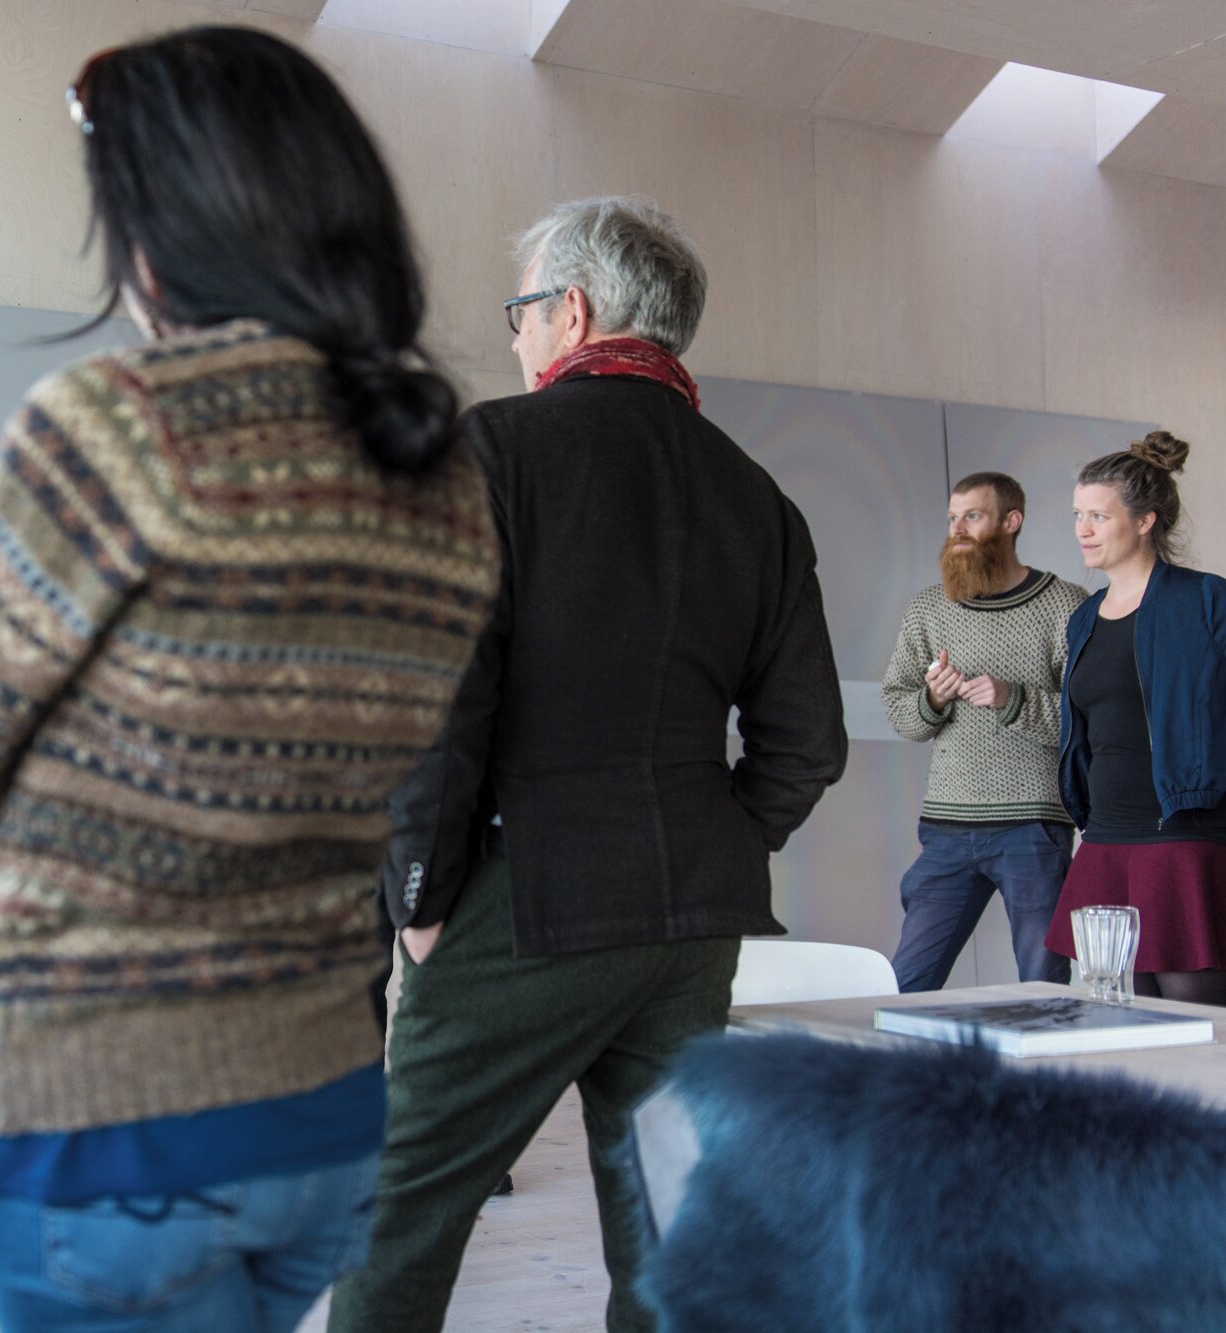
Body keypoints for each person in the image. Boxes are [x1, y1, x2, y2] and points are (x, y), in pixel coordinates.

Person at [0, 27, 499, 1333]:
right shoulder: (441, 472)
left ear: (166, 229)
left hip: (111, 1113)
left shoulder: (113, 423)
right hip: (325, 1110)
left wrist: (104, 792)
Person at [328, 196, 848, 1333]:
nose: (517, 338)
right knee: (666, 1231)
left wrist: (416, 900)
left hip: (520, 903)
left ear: (570, 309)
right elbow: (806, 741)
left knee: (397, 1220)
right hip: (690, 923)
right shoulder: (757, 499)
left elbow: (433, 700)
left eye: (522, 310)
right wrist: (715, 841)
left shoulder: (489, 450)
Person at [880, 472, 1085, 992]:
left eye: (972, 515)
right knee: (907, 986)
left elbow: (1090, 720)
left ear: (1010, 522)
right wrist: (933, 699)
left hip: (1033, 827)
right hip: (946, 827)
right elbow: (898, 705)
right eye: (952, 518)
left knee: (1043, 988)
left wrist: (1011, 698)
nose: (957, 529)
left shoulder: (1066, 604)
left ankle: (1046, 1074)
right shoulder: (929, 608)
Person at [1047, 433, 1226, 1005]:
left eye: (1099, 515)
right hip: (1104, 840)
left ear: (1146, 520)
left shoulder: (1206, 601)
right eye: (1078, 515)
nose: (1084, 529)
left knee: (1200, 1033)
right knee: (1122, 1024)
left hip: (1182, 839)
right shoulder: (1082, 620)